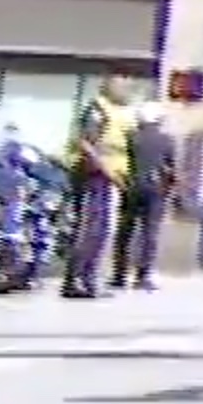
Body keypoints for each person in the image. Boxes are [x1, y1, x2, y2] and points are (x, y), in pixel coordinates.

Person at [61, 76, 142, 301]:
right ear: (109, 88)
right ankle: (79, 280)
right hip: (96, 177)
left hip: (112, 178)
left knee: (104, 231)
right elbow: (85, 142)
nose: (128, 90)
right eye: (123, 86)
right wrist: (104, 169)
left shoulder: (124, 113)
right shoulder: (98, 109)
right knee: (94, 230)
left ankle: (89, 279)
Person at [108, 88, 179, 291]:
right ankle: (143, 275)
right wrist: (170, 189)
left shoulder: (130, 136)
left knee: (125, 231)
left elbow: (123, 160)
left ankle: (119, 274)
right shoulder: (167, 140)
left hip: (130, 186)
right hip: (155, 188)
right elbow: (172, 168)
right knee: (150, 232)